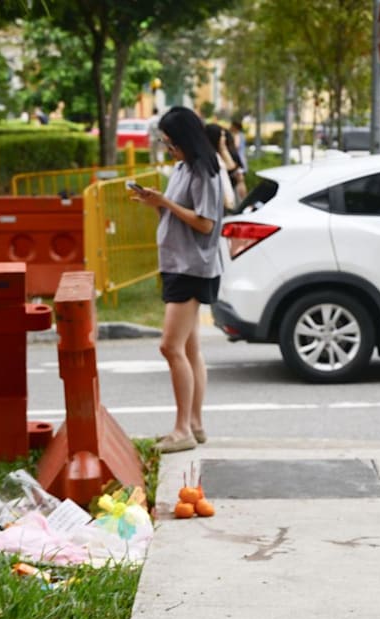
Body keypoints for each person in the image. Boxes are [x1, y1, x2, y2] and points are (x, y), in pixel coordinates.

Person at [128, 106, 225, 453]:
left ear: (186, 139)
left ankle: (182, 429)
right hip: (177, 262)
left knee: (170, 347)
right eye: (166, 144)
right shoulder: (183, 168)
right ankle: (194, 424)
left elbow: (205, 223)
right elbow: (178, 214)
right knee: (189, 347)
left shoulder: (204, 172)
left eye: (172, 143)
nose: (170, 149)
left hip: (190, 266)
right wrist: (155, 202)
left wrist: (166, 203)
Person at [204, 123, 239, 210]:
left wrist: (223, 148)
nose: (224, 138)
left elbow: (231, 167)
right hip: (222, 206)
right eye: (222, 136)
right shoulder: (211, 158)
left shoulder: (218, 155)